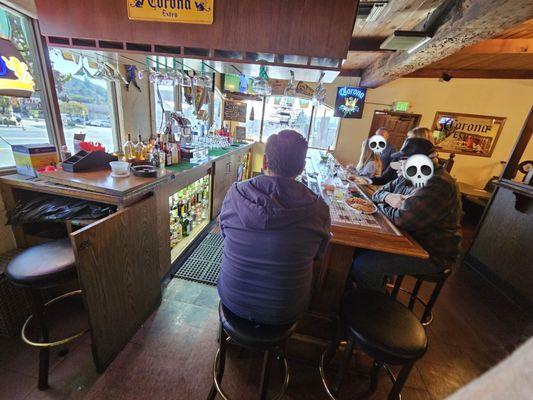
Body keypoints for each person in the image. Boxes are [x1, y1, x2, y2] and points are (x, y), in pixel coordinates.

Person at [218, 130, 331, 325]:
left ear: (264, 162)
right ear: (302, 168)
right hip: (285, 310)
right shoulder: (319, 209)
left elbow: (225, 234)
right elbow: (318, 256)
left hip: (233, 298)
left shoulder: (234, 194)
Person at [351, 138, 462, 291]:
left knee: (364, 266)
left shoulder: (439, 183)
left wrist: (386, 205)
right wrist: (388, 198)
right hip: (409, 239)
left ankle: (376, 306)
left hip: (432, 253)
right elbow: (378, 193)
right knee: (357, 248)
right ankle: (357, 291)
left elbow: (402, 219)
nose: (401, 164)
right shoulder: (409, 175)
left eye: (405, 159)